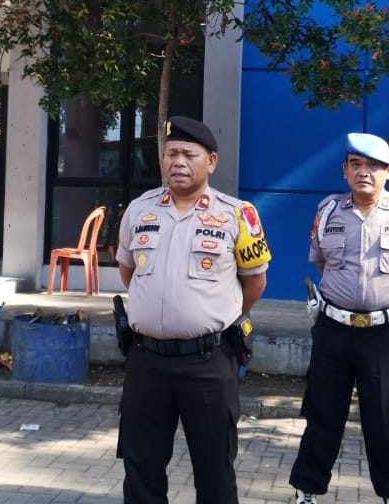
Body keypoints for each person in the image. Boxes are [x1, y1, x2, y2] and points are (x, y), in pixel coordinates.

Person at [114, 115, 271, 504]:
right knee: (141, 466)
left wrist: (210, 319)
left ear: (211, 162)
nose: (178, 162)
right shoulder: (139, 209)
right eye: (171, 154)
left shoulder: (238, 214)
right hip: (146, 360)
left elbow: (255, 283)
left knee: (214, 467)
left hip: (208, 362)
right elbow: (127, 270)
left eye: (189, 154)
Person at [290, 132, 389, 504]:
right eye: (356, 164)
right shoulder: (327, 211)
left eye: (374, 166)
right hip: (333, 331)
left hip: (385, 335)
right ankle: (307, 491)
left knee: (385, 418)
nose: (364, 172)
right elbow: (322, 261)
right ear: (344, 171)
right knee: (323, 414)